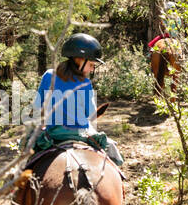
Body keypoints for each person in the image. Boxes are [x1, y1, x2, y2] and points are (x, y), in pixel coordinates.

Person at [31, 33, 124, 166]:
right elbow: (91, 115)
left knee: (25, 153)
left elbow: (38, 107)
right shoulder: (85, 83)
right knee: (113, 153)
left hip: (52, 133)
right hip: (80, 133)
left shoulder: (48, 75)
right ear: (79, 59)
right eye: (91, 64)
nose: (92, 69)